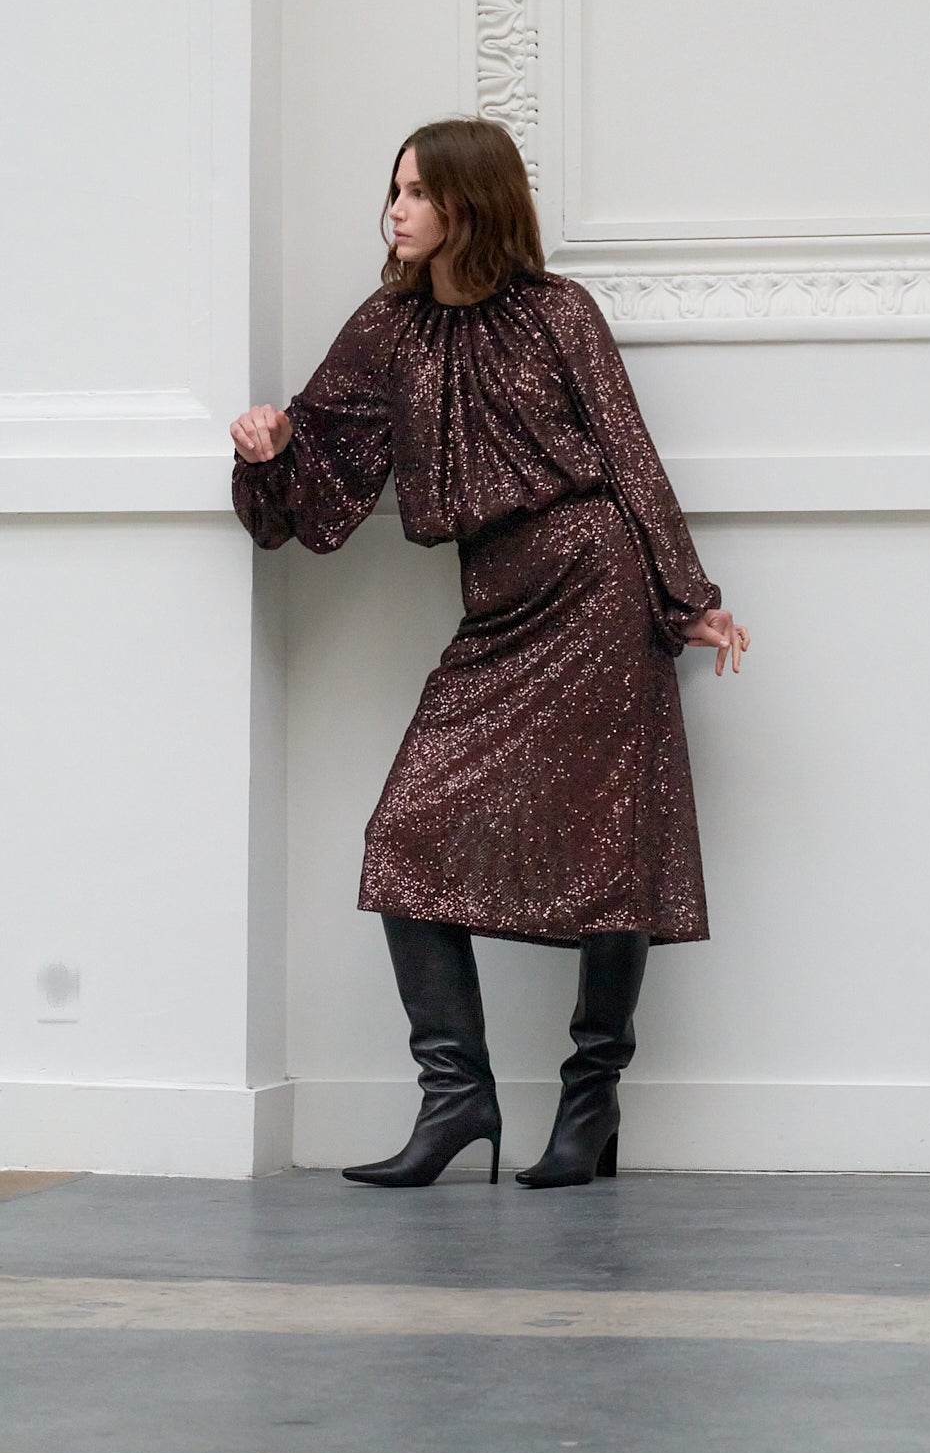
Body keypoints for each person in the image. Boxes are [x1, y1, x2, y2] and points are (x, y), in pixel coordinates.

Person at [230, 117, 748, 1191]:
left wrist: (686, 595)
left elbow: (627, 456)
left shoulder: (560, 313)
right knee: (405, 833)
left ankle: (590, 1097)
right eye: (392, 189)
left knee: (611, 858)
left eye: (417, 190)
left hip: (598, 588)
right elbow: (327, 481)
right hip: (498, 606)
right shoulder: (388, 328)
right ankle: (455, 1096)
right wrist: (273, 449)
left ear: (472, 201)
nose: (396, 208)